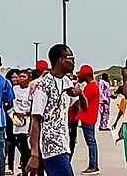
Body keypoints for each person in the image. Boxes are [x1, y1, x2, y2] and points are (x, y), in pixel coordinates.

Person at [27, 44, 78, 176]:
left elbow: (81, 107)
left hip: (64, 143)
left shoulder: (67, 82)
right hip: (51, 145)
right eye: (70, 58)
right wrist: (34, 154)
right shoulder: (43, 85)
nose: (73, 62)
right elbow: (35, 119)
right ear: (60, 60)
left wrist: (80, 94)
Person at [73, 66, 99, 175]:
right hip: (90, 117)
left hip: (88, 117)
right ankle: (93, 165)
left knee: (91, 142)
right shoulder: (92, 86)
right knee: (91, 141)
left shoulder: (90, 87)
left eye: (81, 75)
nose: (79, 76)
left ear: (86, 75)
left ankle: (93, 166)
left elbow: (83, 102)